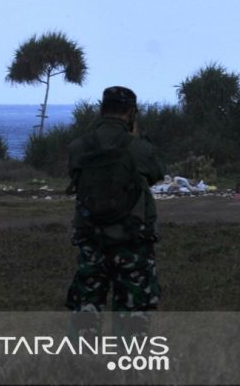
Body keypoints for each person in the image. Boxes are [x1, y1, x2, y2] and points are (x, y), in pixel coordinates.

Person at [66, 86, 164, 329]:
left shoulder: (78, 146)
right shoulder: (138, 147)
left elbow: (75, 177)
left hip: (91, 237)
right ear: (131, 113)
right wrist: (137, 136)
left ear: (102, 109)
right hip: (131, 239)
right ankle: (129, 363)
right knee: (133, 308)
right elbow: (156, 174)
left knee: (87, 305)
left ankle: (80, 361)